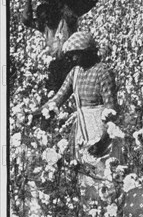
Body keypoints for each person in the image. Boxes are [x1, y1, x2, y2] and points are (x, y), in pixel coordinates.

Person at [32, 31, 121, 194]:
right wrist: (36, 113)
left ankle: (105, 210)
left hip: (100, 130)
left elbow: (112, 110)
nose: (72, 59)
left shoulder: (103, 71)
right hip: (82, 128)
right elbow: (59, 97)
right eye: (71, 56)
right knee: (84, 175)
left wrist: (102, 141)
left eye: (75, 55)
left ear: (87, 53)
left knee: (103, 171)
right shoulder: (75, 72)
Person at [21, 0, 78, 92]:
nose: (47, 20)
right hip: (56, 66)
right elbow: (25, 20)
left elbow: (68, 12)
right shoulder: (45, 27)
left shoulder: (66, 22)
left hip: (71, 63)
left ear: (54, 13)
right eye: (43, 19)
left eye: (48, 16)